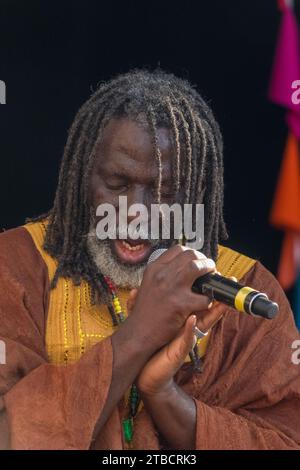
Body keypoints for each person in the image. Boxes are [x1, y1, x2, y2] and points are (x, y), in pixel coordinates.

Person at [0, 70, 299, 450]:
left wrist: (164, 394)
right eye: (117, 184)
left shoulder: (245, 285)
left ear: (196, 193)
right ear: (81, 177)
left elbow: (286, 440)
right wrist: (141, 333)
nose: (136, 212)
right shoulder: (13, 264)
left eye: (164, 191)